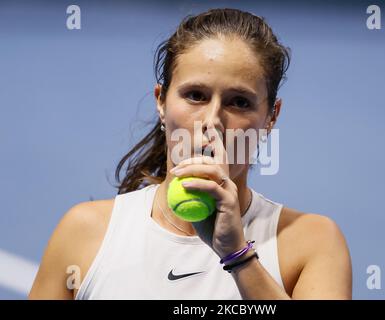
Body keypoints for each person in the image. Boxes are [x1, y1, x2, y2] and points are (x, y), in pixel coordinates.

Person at [29, 8, 352, 300]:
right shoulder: (85, 231)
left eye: (239, 102)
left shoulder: (312, 242)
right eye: (195, 95)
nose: (212, 121)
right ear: (161, 101)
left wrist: (237, 256)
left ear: (271, 116)